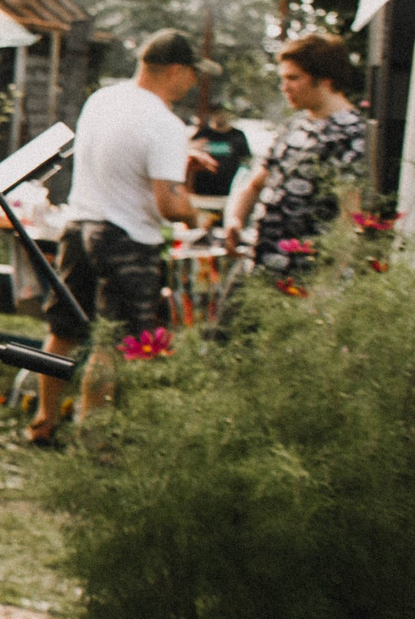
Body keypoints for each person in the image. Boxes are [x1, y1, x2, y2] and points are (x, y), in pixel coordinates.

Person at [28, 29, 215, 442]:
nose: (193, 84)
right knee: (111, 342)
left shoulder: (103, 100)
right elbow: (169, 205)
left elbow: (121, 159)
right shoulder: (165, 122)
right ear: (176, 70)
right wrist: (199, 215)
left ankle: (44, 421)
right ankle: (92, 438)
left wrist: (179, 162)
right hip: (126, 239)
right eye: (193, 75)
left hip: (78, 227)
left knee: (63, 331)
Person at [228, 32, 367, 284]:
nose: (285, 87)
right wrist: (235, 220)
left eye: (293, 78)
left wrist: (327, 285)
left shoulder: (353, 134)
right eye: (282, 78)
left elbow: (350, 218)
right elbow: (255, 184)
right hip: (256, 269)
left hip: (303, 279)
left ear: (325, 80)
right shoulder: (295, 125)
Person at [187, 104, 252, 201]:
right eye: (217, 113)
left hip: (228, 191)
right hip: (202, 190)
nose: (220, 116)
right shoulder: (203, 134)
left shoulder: (238, 135)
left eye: (224, 113)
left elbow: (246, 160)